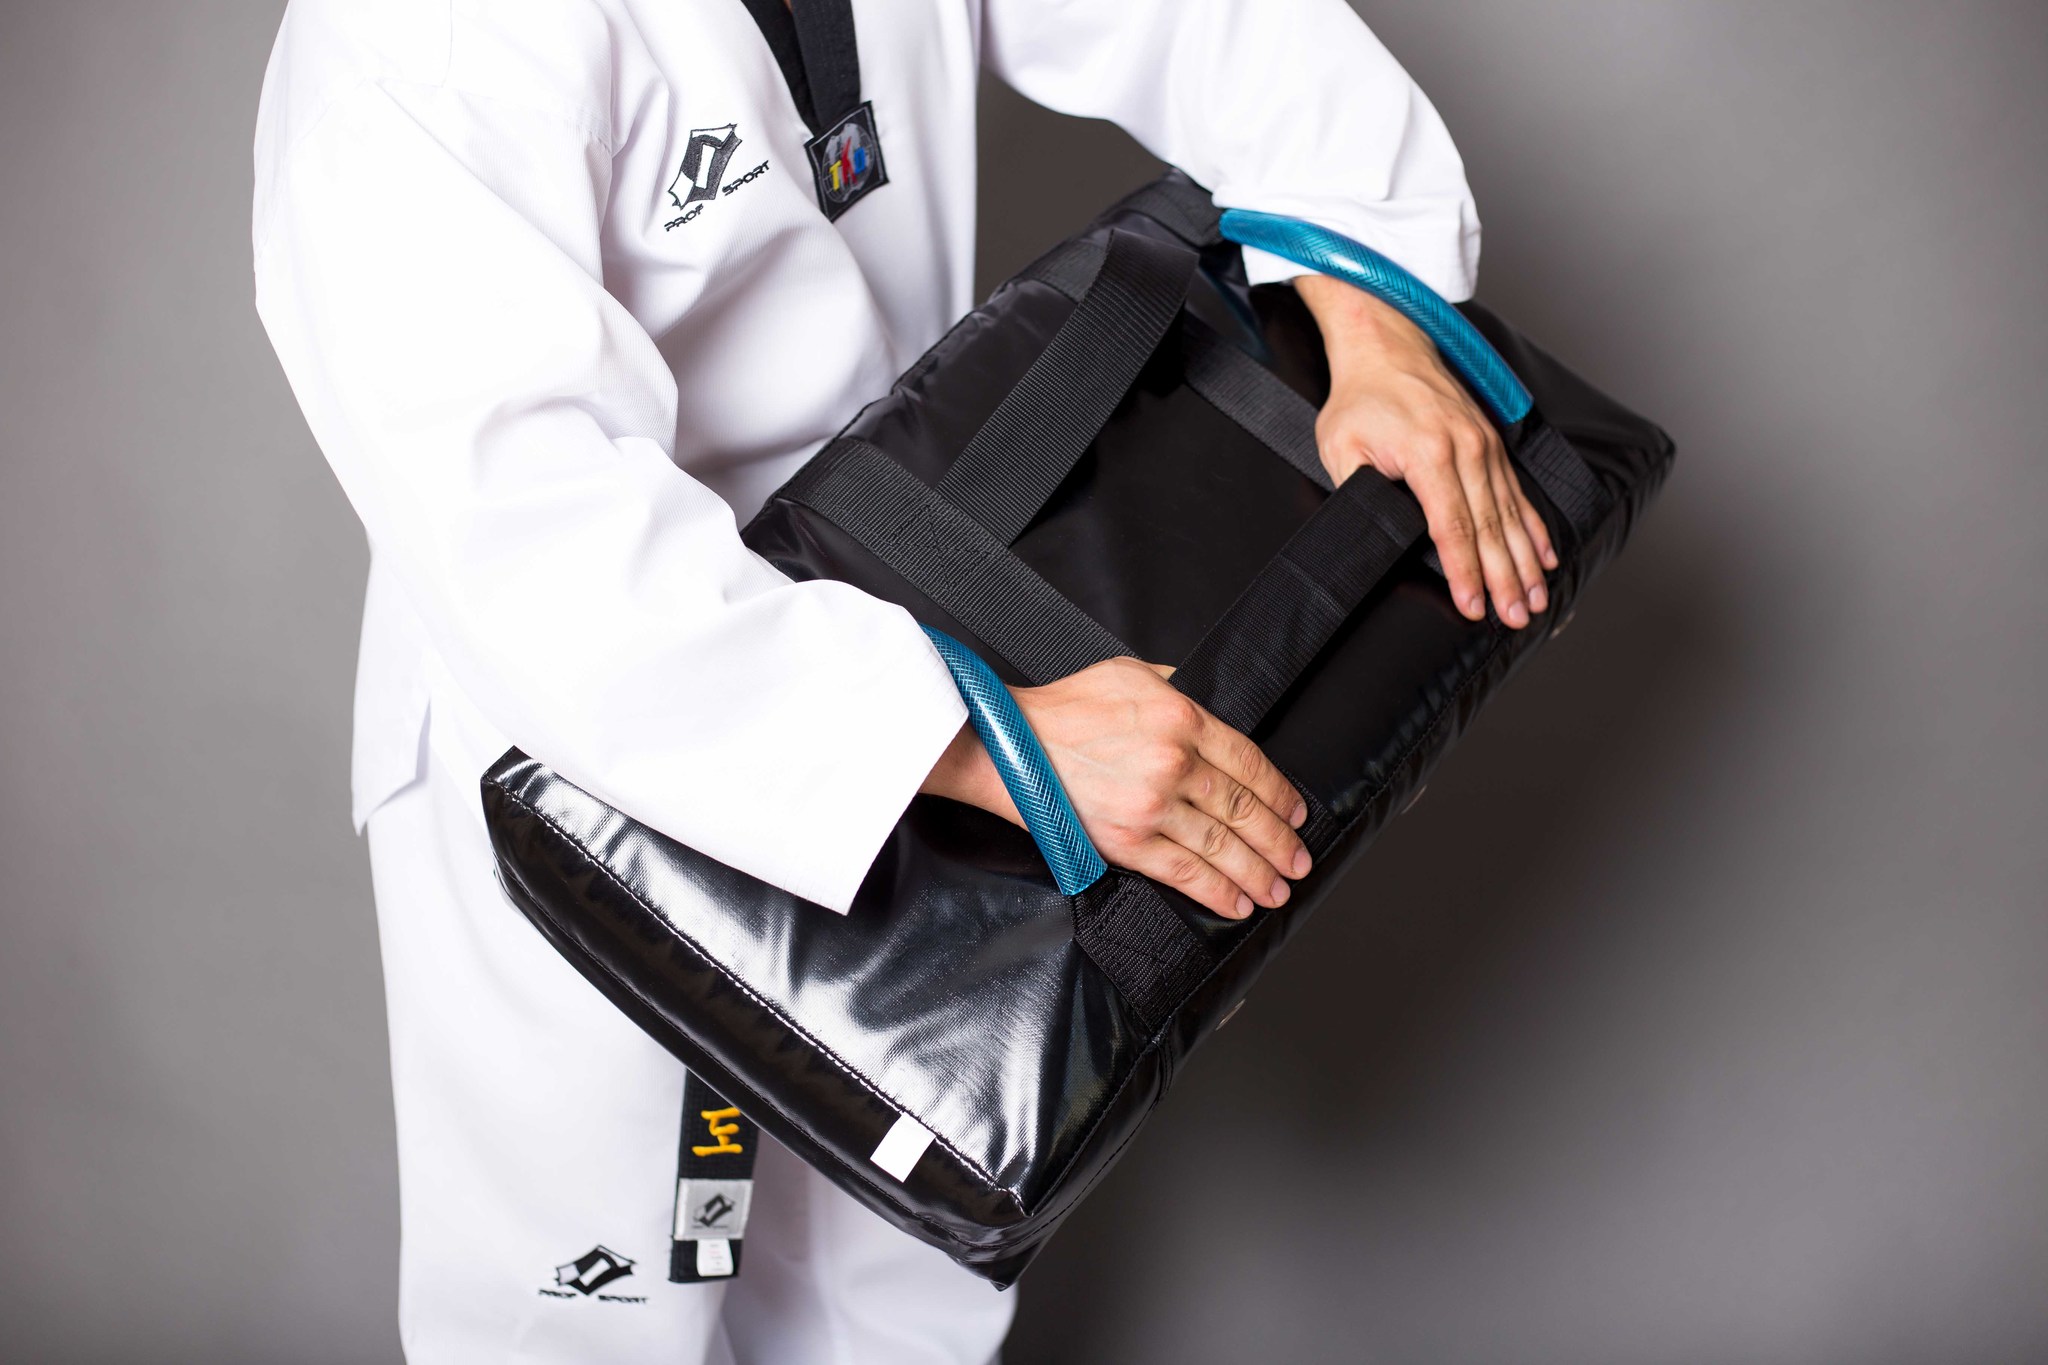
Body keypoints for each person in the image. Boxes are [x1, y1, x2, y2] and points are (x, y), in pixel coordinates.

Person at [252, 0, 1554, 1359]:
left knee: (896, 1299)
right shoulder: (414, 34)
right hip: (613, 743)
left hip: (943, 612)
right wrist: (990, 744)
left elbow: (1201, 21)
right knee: (597, 1316)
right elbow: (521, 526)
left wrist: (1367, 298)